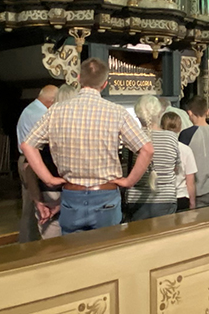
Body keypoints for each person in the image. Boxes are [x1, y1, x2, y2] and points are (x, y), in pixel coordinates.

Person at [21, 58, 154, 234]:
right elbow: (147, 149)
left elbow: (27, 146)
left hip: (72, 195)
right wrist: (129, 181)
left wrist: (48, 179)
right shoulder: (117, 112)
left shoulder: (56, 111)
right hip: (105, 195)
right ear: (105, 83)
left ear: (78, 79)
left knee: (73, 249)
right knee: (106, 249)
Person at [20, 84, 78, 240]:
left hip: (50, 193)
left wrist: (37, 199)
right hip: (77, 194)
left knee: (53, 248)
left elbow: (28, 165)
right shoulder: (81, 131)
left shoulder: (46, 126)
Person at [124, 96, 181, 221]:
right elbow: (176, 167)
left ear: (138, 116)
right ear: (159, 113)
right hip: (165, 197)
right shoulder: (171, 137)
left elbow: (126, 168)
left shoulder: (131, 138)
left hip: (137, 199)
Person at [15, 85, 59, 243]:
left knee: (31, 207)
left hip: (28, 159)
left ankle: (28, 244)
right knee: (34, 206)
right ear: (52, 101)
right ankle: (28, 246)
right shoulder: (40, 114)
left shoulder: (31, 109)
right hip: (32, 162)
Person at [179, 96, 209, 207]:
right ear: (207, 111)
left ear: (189, 113)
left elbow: (181, 163)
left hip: (197, 190)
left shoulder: (186, 134)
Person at [161, 112, 197, 211]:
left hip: (162, 197)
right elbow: (190, 181)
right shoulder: (186, 150)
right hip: (181, 196)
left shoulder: (156, 149)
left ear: (161, 127)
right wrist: (192, 203)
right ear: (180, 128)